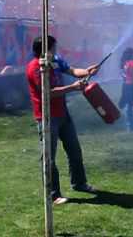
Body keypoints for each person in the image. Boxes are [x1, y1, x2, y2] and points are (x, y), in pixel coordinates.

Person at [26, 36, 99, 205]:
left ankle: (79, 183)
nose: (56, 50)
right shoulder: (35, 68)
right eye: (54, 48)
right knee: (49, 157)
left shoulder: (56, 60)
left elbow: (72, 71)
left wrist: (88, 71)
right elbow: (48, 92)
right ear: (47, 49)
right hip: (47, 116)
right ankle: (53, 194)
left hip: (63, 114)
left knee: (74, 150)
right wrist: (73, 88)